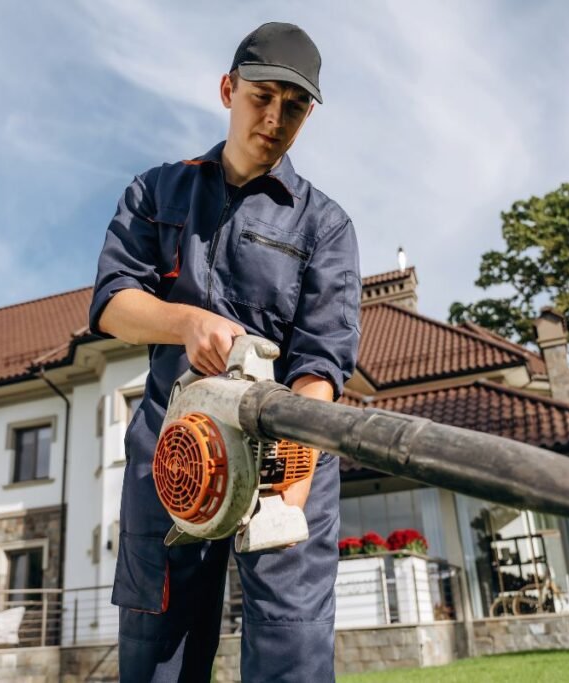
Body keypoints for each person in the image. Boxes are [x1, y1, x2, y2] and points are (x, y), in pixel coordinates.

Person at [89, 21, 361, 682]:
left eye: (293, 107)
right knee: (157, 655)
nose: (274, 119)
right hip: (174, 454)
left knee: (291, 653)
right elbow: (113, 303)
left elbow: (321, 363)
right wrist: (186, 321)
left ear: (307, 116)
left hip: (285, 453)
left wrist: (291, 477)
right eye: (261, 96)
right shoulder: (157, 192)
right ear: (227, 90)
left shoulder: (325, 225)